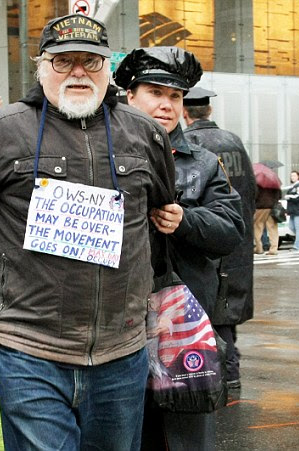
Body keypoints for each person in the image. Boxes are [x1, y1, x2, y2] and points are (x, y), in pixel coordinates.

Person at [0, 14, 182, 450]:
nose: (78, 71)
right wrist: (13, 271)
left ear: (108, 69)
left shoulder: (144, 133)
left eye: (91, 62)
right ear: (41, 66)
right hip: (28, 345)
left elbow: (157, 209)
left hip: (120, 348)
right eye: (64, 60)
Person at [114, 46, 245, 450]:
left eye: (175, 96)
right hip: (117, 325)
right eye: (155, 92)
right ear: (130, 96)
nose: (167, 104)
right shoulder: (98, 155)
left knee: (186, 438)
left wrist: (186, 221)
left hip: (183, 328)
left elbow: (231, 229)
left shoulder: (204, 162)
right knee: (123, 432)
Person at [182, 86, 256, 389]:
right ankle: (231, 366)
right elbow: (250, 189)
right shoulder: (234, 141)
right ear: (208, 111)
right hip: (237, 235)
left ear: (185, 113)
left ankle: (227, 372)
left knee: (213, 308)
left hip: (209, 237)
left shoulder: (191, 143)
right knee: (230, 304)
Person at [253, 176, 281, 255]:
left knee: (257, 227)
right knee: (272, 228)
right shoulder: (274, 182)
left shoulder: (257, 182)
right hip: (272, 207)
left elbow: (254, 195)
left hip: (260, 207)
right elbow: (279, 195)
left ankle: (259, 248)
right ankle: (273, 249)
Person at [285, 170, 299, 251]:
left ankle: (297, 246)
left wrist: (289, 196)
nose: (292, 177)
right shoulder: (293, 186)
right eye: (291, 176)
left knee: (298, 228)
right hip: (293, 211)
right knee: (291, 227)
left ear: (298, 176)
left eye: (294, 175)